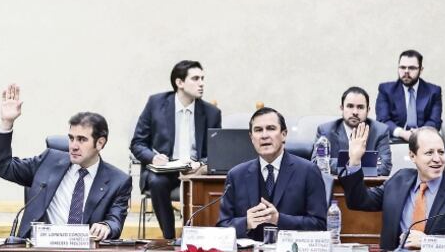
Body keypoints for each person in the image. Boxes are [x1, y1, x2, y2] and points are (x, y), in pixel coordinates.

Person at [0, 84, 131, 241]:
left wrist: (107, 226)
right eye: (71, 138)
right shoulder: (49, 161)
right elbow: (2, 165)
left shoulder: (119, 181)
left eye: (82, 139)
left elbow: (115, 220)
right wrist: (6, 123)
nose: (74, 146)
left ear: (100, 143)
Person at [340, 126, 445, 251]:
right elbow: (358, 201)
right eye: (429, 153)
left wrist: (429, 243)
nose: (437, 159)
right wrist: (355, 161)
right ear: (412, 156)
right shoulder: (399, 181)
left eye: (441, 152)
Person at [129, 60, 221, 239]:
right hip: (165, 169)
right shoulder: (156, 104)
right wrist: (153, 158)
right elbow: (137, 143)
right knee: (156, 182)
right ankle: (169, 238)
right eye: (195, 78)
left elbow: (217, 152)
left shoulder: (212, 113)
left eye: (203, 78)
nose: (201, 83)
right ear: (179, 83)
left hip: (196, 170)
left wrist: (202, 164)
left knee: (212, 184)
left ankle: (200, 239)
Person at [217, 107, 328, 240]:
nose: (264, 135)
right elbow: (222, 227)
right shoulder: (236, 175)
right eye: (258, 130)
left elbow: (319, 226)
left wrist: (278, 219)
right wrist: (246, 223)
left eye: (271, 128)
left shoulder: (308, 171)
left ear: (284, 134)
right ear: (252, 138)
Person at [314, 86, 392, 175]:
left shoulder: (380, 131)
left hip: (367, 187)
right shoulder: (325, 131)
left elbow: (385, 167)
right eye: (350, 106)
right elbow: (317, 163)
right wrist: (356, 161)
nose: (355, 112)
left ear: (368, 110)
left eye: (360, 107)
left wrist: (339, 163)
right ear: (342, 108)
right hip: (335, 186)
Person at [375, 49, 442, 141]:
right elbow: (383, 120)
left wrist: (418, 133)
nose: (406, 71)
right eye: (402, 67)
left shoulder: (433, 91)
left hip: (424, 140)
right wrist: (402, 133)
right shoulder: (386, 90)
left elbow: (435, 121)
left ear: (421, 70)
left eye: (411, 68)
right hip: (395, 139)